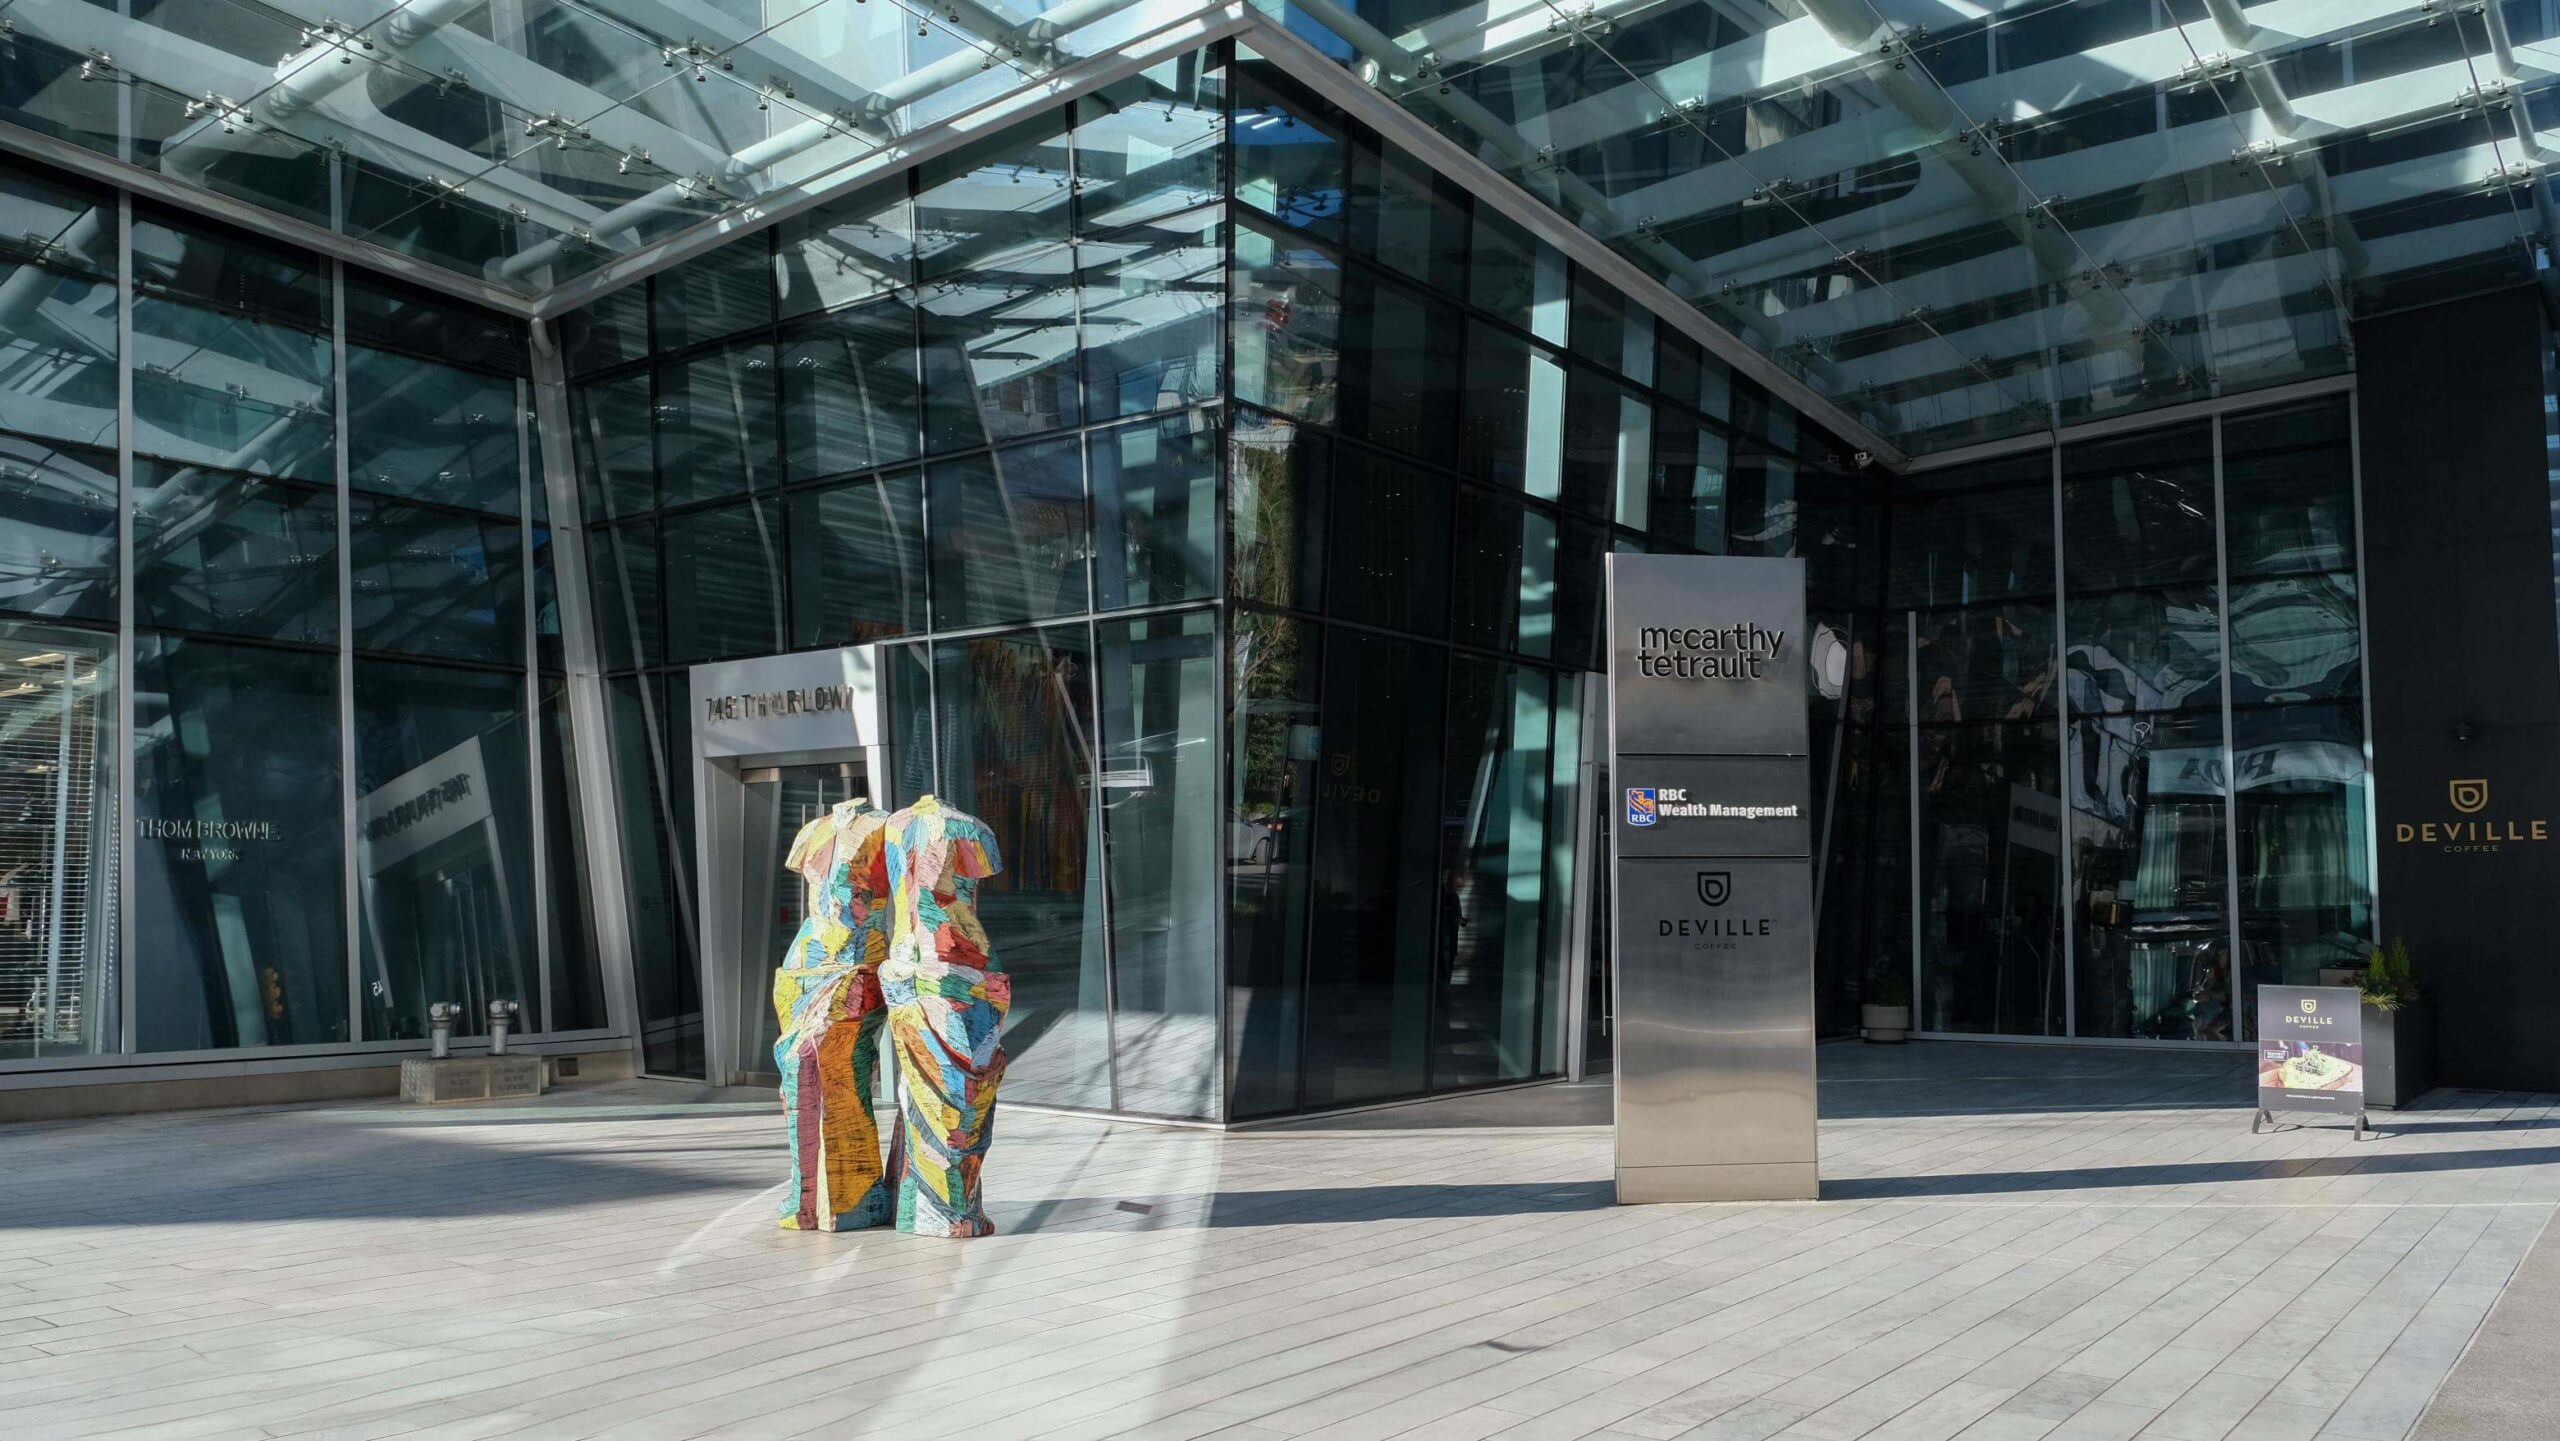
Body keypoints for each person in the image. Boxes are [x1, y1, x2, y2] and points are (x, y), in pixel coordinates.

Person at [879, 795, 1007, 1237]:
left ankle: (913, 1205)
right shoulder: (968, 829)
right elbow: (949, 896)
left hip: (903, 962)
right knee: (961, 1099)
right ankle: (950, 1213)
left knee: (921, 1094)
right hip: (955, 967)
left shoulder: (893, 827)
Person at [771, 800, 894, 1232]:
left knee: (839, 1073)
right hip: (803, 963)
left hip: (859, 957)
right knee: (796, 1073)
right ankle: (805, 1198)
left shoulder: (885, 828)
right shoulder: (813, 829)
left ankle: (852, 1195)